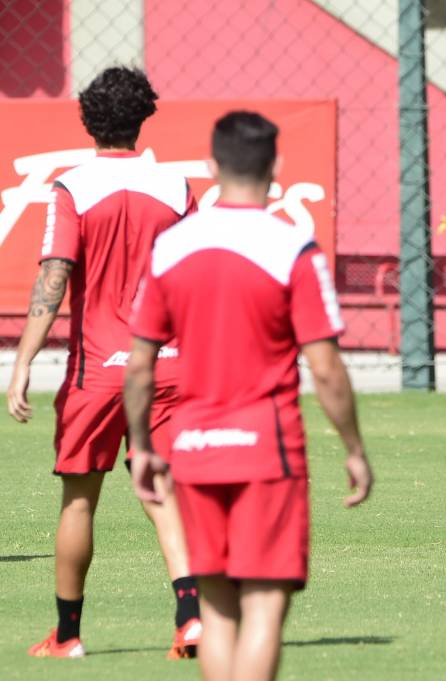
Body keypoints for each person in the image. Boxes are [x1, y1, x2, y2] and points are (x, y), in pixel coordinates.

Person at [124, 110, 373, 681]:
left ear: (211, 166)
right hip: (267, 452)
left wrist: (142, 446)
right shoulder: (292, 246)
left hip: (193, 449)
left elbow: (139, 368)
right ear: (276, 167)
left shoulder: (171, 247)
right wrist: (355, 449)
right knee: (263, 607)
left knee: (216, 610)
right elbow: (327, 369)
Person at [6, 66, 201, 658]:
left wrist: (22, 362)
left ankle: (67, 635)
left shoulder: (72, 188)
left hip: (98, 371)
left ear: (87, 119)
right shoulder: (176, 189)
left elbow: (54, 274)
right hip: (166, 364)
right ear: (144, 117)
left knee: (79, 499)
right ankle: (190, 616)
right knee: (161, 489)